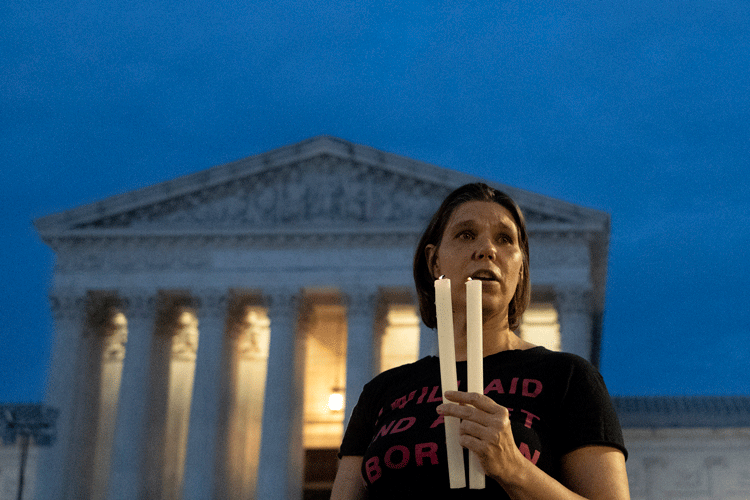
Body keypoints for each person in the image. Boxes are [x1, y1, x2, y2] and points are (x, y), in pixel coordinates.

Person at [330, 183, 629, 500]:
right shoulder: (382, 391)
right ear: (435, 263)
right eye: (466, 235)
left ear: (521, 269)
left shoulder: (568, 378)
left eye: (505, 239)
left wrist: (515, 469)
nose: (487, 250)